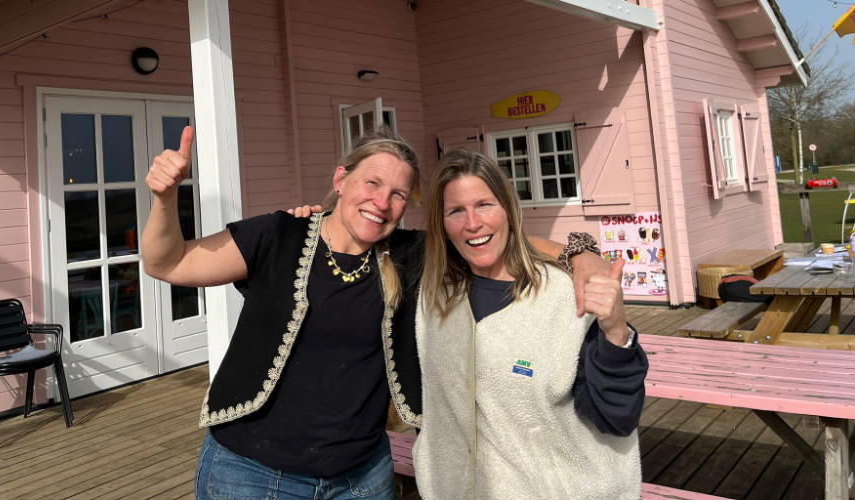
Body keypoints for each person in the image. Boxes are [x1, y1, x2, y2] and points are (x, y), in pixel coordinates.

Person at [143, 125, 607, 499]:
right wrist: (165, 199)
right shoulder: (279, 235)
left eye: (399, 195)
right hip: (251, 474)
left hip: (362, 478)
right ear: (341, 180)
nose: (382, 203)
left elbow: (505, 243)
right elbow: (168, 262)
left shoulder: (408, 255)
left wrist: (583, 255)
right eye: (372, 183)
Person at [412, 148, 647, 499]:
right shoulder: (433, 295)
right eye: (456, 211)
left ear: (509, 209)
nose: (472, 223)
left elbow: (617, 417)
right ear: (442, 226)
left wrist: (615, 331)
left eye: (485, 205)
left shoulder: (565, 296)